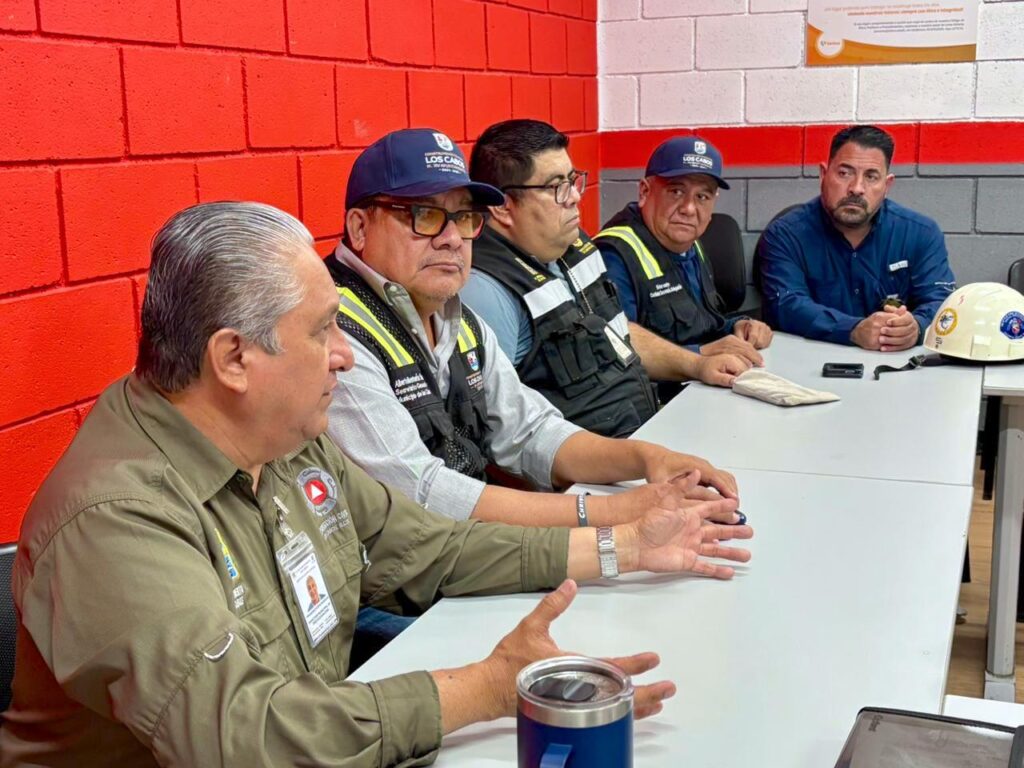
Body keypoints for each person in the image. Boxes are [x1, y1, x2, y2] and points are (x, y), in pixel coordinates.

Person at [0, 201, 753, 767]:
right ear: (233, 360)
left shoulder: (284, 442)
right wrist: (486, 689)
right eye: (322, 330)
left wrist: (624, 545)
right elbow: (244, 736)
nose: (346, 355)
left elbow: (427, 547)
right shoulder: (117, 518)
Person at [328, 128, 740, 530]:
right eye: (426, 215)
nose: (453, 239)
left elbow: (531, 430)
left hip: (467, 545)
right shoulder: (334, 333)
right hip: (414, 567)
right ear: (360, 227)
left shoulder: (455, 316)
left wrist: (648, 459)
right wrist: (612, 512)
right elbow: (421, 494)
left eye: (465, 217)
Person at [462, 120, 752, 438]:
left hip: (643, 429)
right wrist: (638, 459)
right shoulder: (486, 292)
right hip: (594, 461)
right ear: (503, 207)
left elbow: (616, 332)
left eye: (573, 180)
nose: (575, 196)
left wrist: (696, 364)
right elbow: (496, 436)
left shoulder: (575, 246)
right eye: (556, 187)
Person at [757, 124, 956, 351]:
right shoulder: (785, 235)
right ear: (823, 174)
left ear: (887, 185)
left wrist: (916, 328)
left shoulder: (921, 233)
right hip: (807, 360)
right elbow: (785, 305)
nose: (856, 188)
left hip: (894, 363)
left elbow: (942, 302)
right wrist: (852, 329)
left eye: (871, 177)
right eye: (844, 173)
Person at [595, 135, 773, 364]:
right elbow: (616, 350)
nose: (689, 208)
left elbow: (699, 323)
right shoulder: (614, 255)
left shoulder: (688, 242)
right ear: (644, 192)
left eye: (702, 196)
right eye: (676, 192)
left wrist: (738, 327)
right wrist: (700, 356)